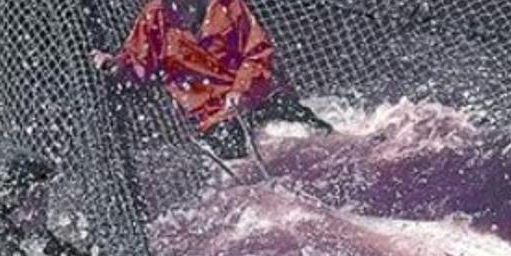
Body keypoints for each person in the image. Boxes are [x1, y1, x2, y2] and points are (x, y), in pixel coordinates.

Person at [92, 0, 332, 160]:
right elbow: (137, 66)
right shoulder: (154, 16)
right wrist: (114, 65)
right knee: (240, 165)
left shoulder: (229, 5)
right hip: (214, 117)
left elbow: (259, 53)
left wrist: (241, 91)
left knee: (321, 138)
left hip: (262, 98)